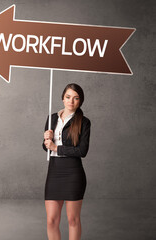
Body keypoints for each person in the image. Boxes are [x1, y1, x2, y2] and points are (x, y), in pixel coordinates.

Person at [42, 83, 91, 240]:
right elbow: (47, 148)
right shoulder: (52, 119)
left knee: (73, 220)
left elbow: (82, 151)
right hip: (54, 171)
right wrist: (46, 141)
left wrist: (56, 148)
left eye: (76, 98)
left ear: (80, 101)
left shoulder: (84, 122)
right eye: (68, 97)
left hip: (73, 173)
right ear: (63, 98)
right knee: (51, 221)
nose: (71, 101)